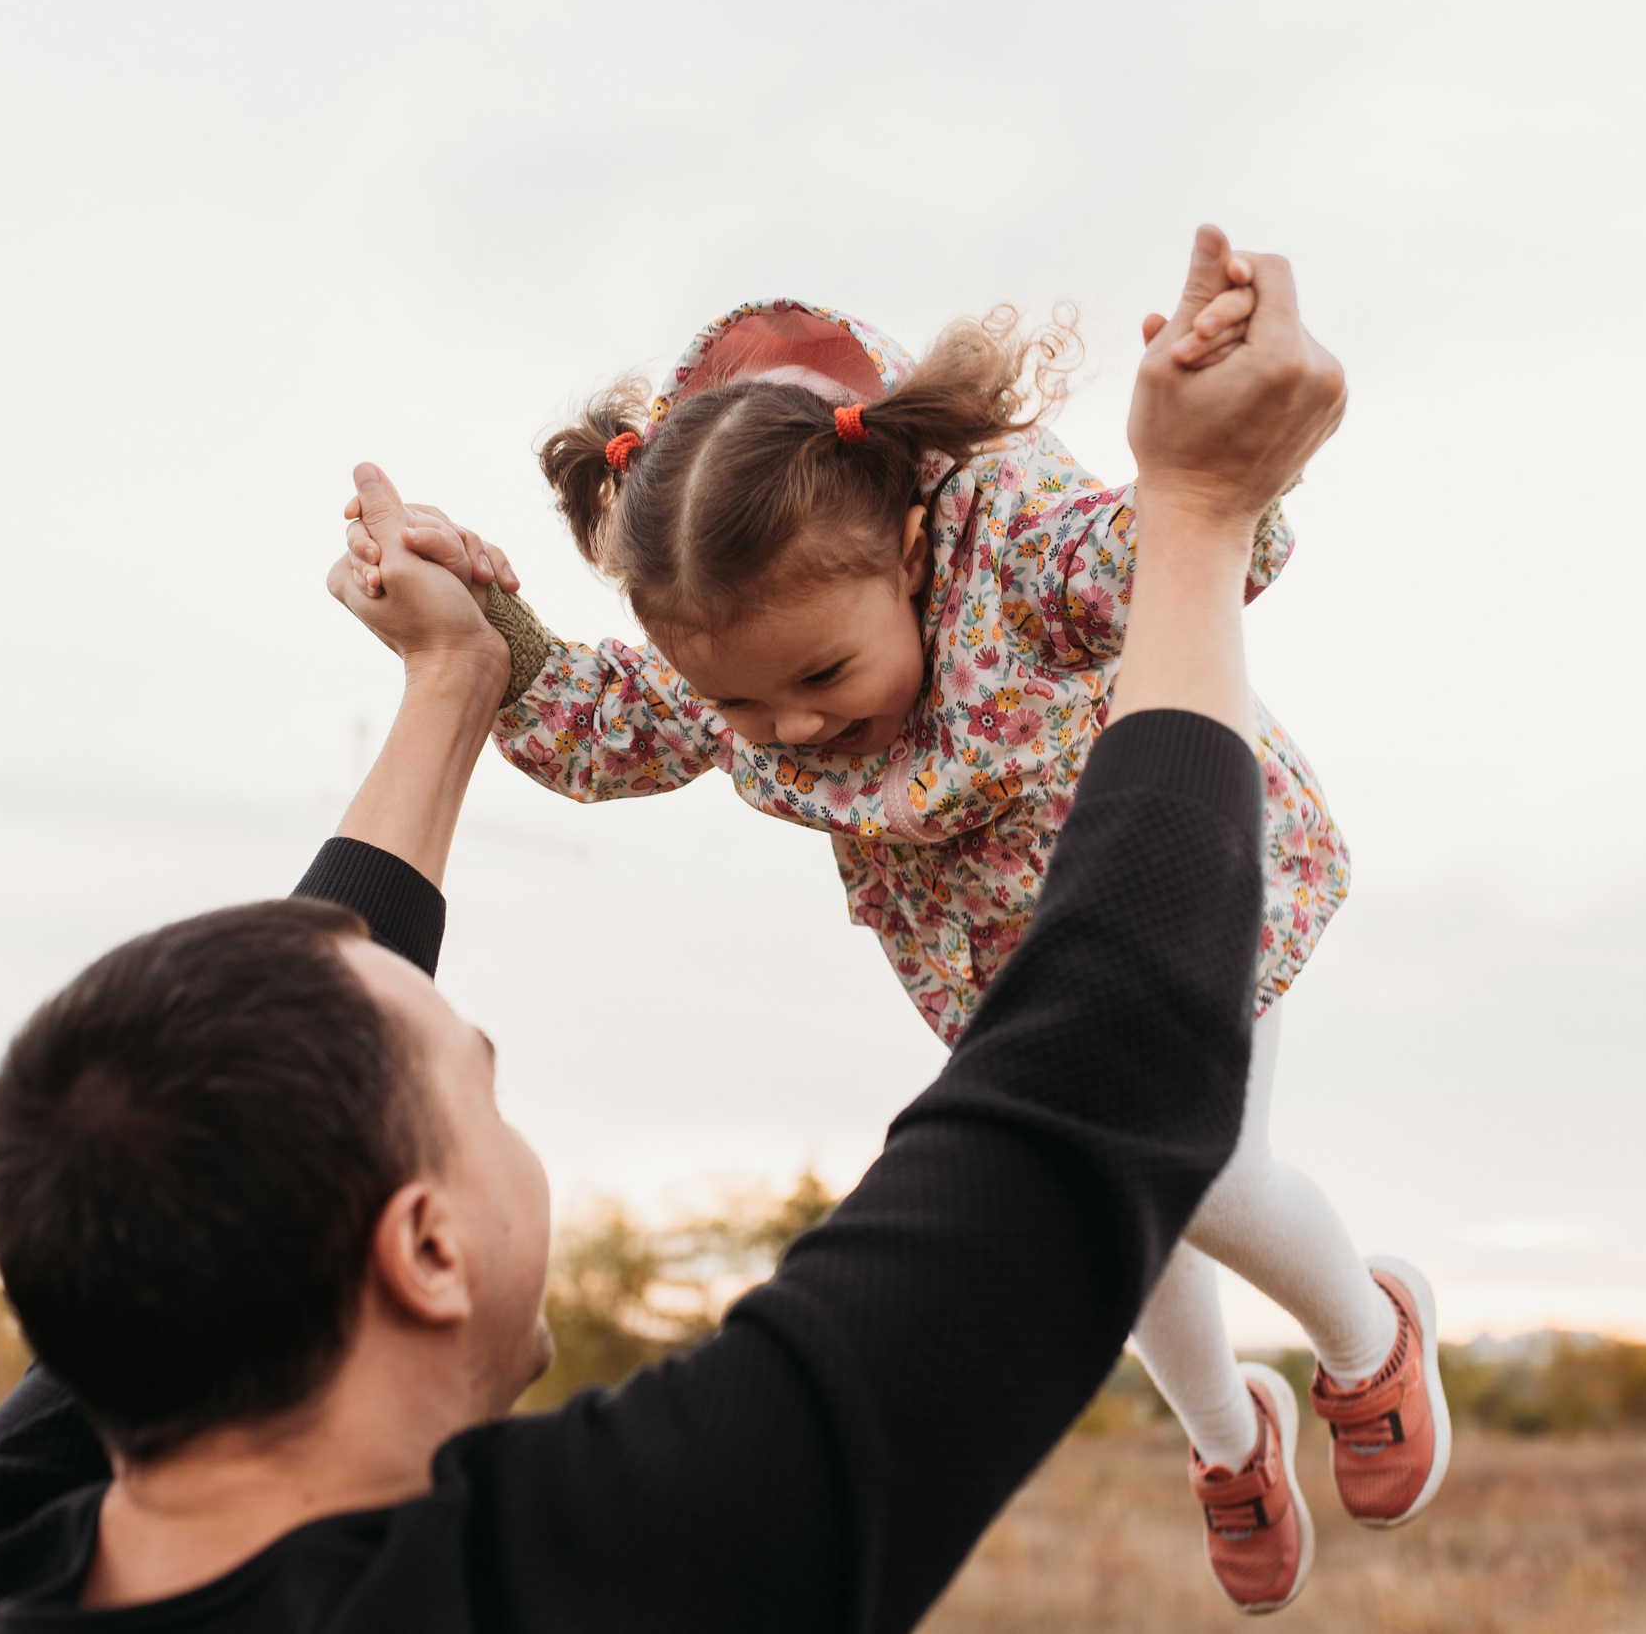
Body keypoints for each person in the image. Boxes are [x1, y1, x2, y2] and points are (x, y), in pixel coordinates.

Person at [0, 226, 1347, 1633]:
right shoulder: (623, 1563)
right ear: (426, 1244)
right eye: (482, 1088)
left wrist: (453, 678)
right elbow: (1096, 1090)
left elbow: (238, 1111)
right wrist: (1199, 513)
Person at [349, 290, 1443, 1607]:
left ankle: (1371, 1335)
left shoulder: (1017, 552)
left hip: (1185, 880)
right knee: (1110, 1217)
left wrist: (1220, 443)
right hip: (1016, 979)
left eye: (823, 677)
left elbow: (1187, 542)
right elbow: (602, 724)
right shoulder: (738, 650)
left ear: (912, 548)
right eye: (739, 701)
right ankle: (1228, 1435)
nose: (789, 729)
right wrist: (482, 621)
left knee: (1193, 1161)